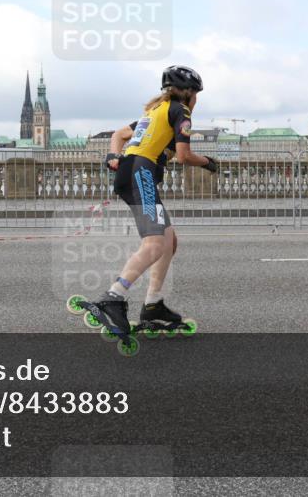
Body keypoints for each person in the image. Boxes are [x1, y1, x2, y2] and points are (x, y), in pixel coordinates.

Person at [83, 65, 217, 339]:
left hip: (131, 170)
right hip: (140, 171)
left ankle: (153, 304)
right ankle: (114, 297)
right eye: (197, 94)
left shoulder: (154, 111)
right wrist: (209, 163)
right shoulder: (181, 111)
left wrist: (112, 156)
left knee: (169, 240)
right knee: (155, 242)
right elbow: (183, 156)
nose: (197, 99)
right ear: (190, 93)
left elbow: (118, 136)